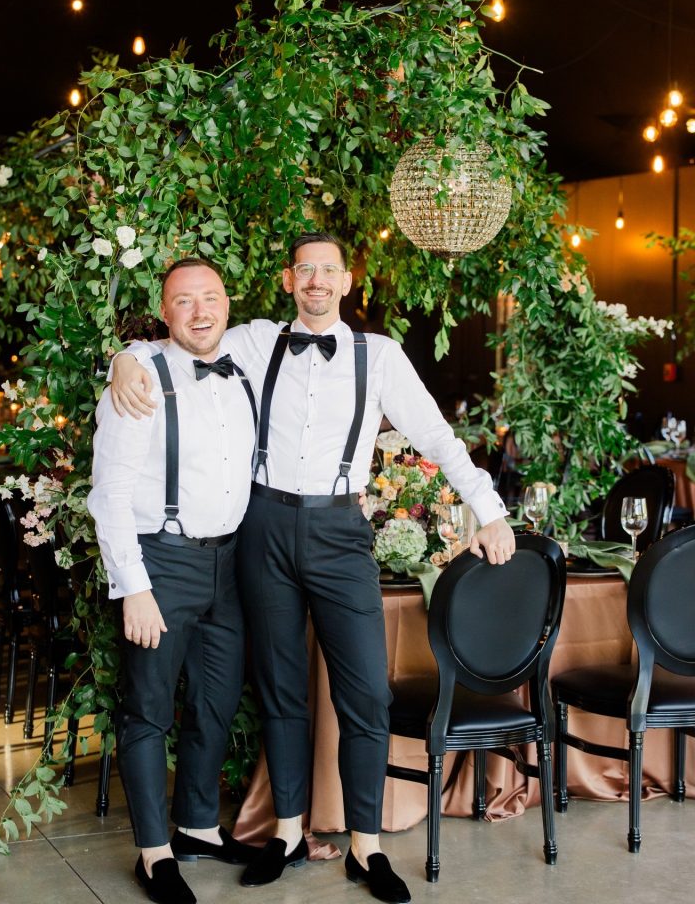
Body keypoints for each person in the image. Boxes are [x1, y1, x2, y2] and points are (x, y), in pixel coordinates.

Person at [110, 233, 515, 904]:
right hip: (263, 525)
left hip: (338, 530)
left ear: (348, 281)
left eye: (329, 270)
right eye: (306, 270)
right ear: (289, 279)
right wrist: (126, 356)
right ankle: (289, 833)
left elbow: (437, 435)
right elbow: (184, 340)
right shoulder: (255, 339)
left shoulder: (378, 356)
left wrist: (490, 510)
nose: (318, 280)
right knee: (281, 690)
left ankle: (366, 847)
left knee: (366, 694)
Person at [88, 258, 260, 904]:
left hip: (229, 565)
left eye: (210, 297)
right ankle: (154, 853)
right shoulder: (138, 380)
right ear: (165, 312)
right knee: (149, 710)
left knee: (215, 704)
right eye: (183, 302)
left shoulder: (245, 358)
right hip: (161, 562)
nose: (200, 311)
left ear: (227, 303)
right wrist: (133, 585)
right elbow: (110, 495)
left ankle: (195, 825)